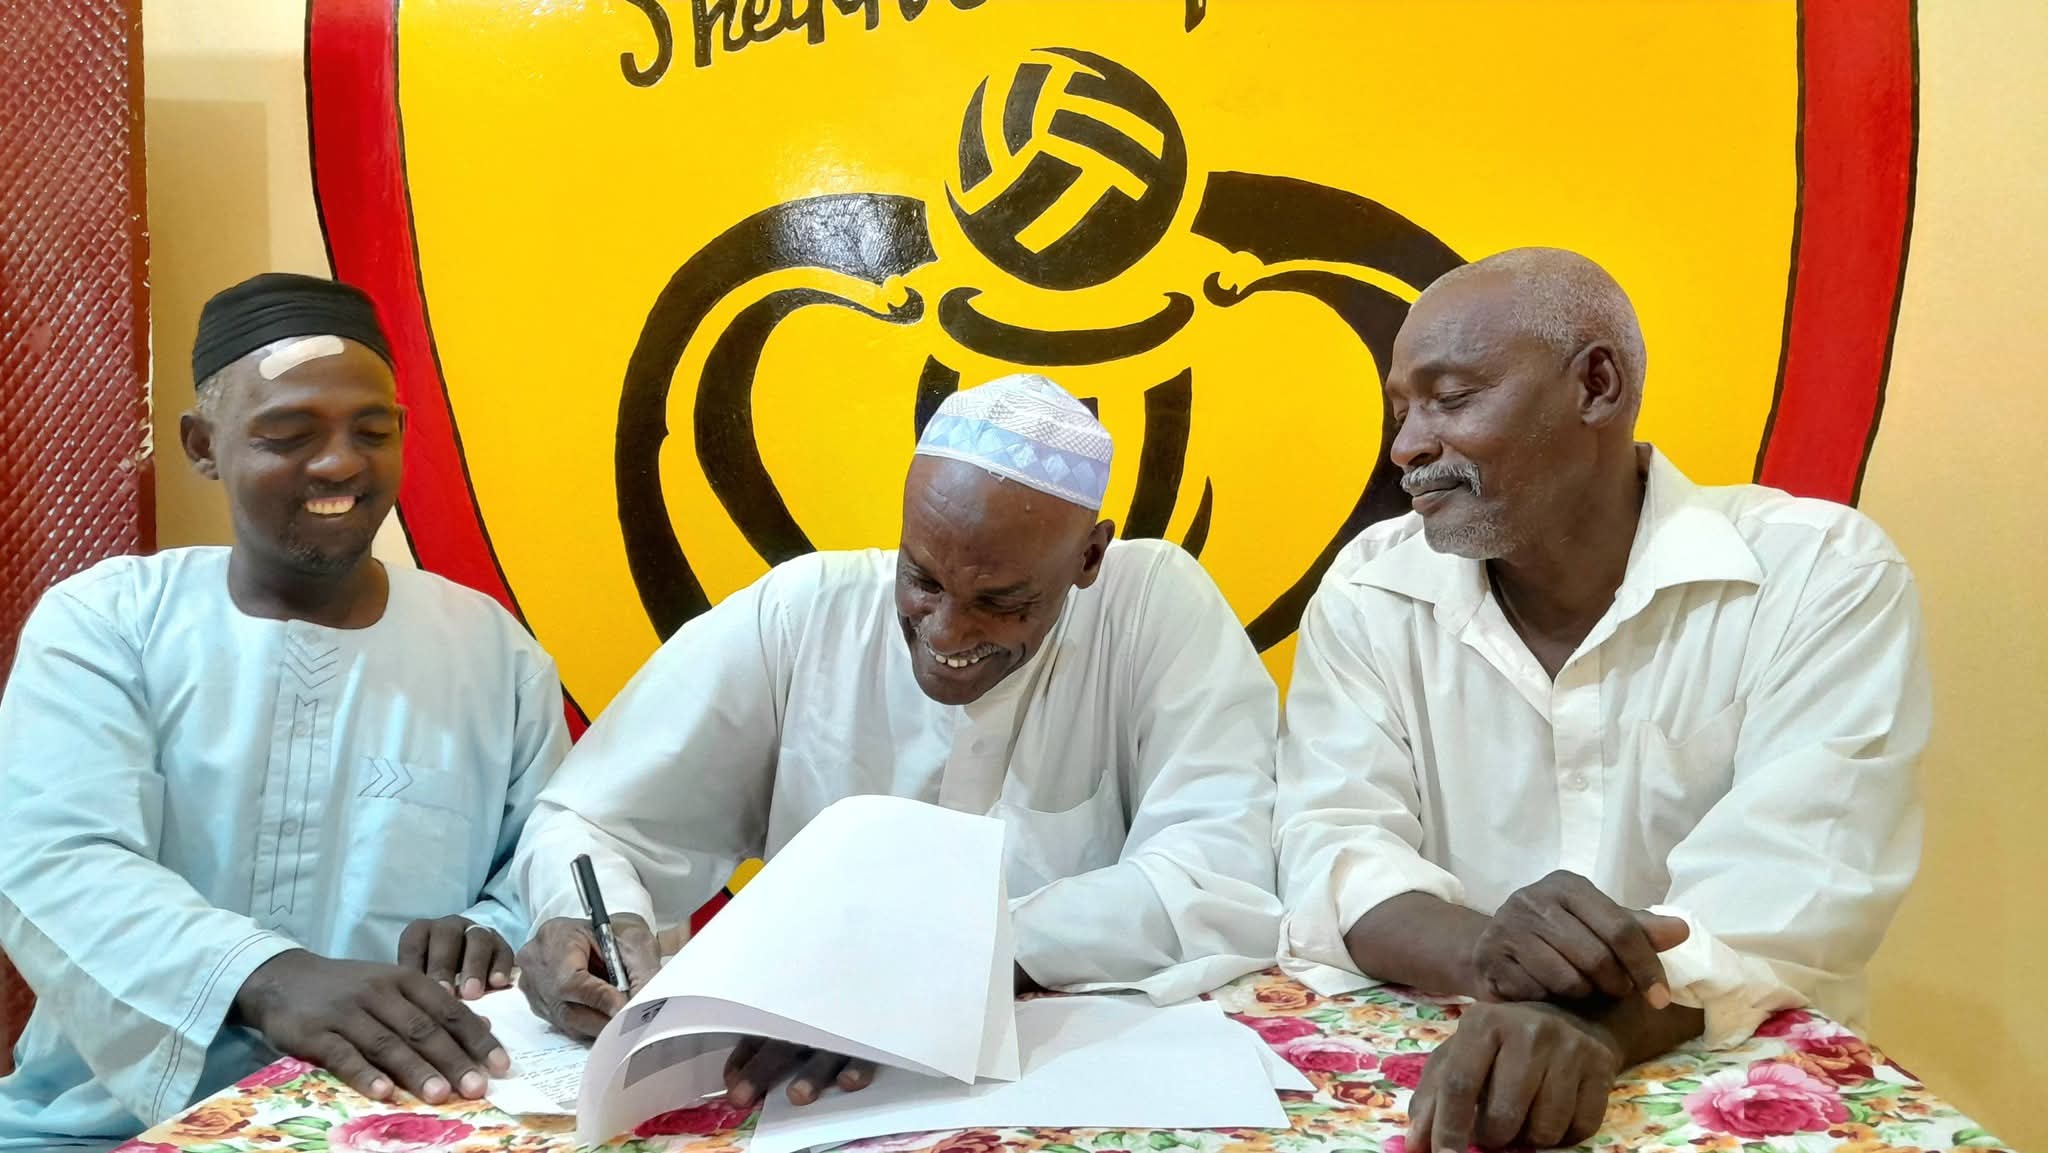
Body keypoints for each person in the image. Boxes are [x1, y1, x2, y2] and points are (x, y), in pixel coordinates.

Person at [1273, 249, 1928, 1153]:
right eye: (1402, 411)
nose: (1408, 447)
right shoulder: (1370, 590)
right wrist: (1489, 951)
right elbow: (1335, 845)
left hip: (1737, 1085)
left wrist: (1588, 1023)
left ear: (1597, 385)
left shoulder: (1819, 575)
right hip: (1450, 1079)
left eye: (1450, 398)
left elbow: (1797, 887)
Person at [512, 372, 1283, 1106]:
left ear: (1088, 558)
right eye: (923, 580)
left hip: (1077, 1093)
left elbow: (1220, 877)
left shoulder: (1152, 611)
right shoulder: (802, 619)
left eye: (999, 601)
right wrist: (592, 922)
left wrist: (975, 951)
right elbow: (587, 821)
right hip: (812, 1093)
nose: (945, 632)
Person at [0, 274, 571, 1149]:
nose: (340, 463)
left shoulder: (494, 654)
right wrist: (269, 975)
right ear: (203, 446)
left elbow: (548, 865)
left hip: (402, 1118)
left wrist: (487, 933)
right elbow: (56, 860)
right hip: (98, 1123)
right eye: (289, 434)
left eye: (371, 431)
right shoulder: (108, 624)